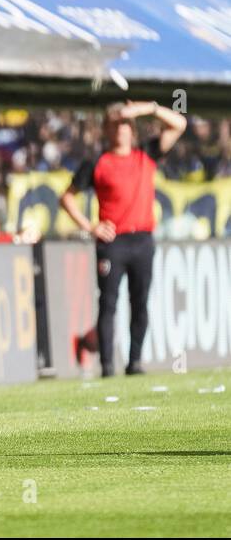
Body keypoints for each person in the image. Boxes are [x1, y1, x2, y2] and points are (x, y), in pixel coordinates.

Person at [59, 101, 186, 377]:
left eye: (125, 124)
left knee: (139, 302)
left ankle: (135, 361)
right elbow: (67, 197)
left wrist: (148, 108)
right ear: (106, 129)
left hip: (142, 240)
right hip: (113, 242)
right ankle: (106, 366)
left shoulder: (146, 155)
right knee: (108, 303)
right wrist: (90, 227)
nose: (120, 130)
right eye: (115, 124)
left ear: (132, 129)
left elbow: (179, 123)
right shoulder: (97, 163)